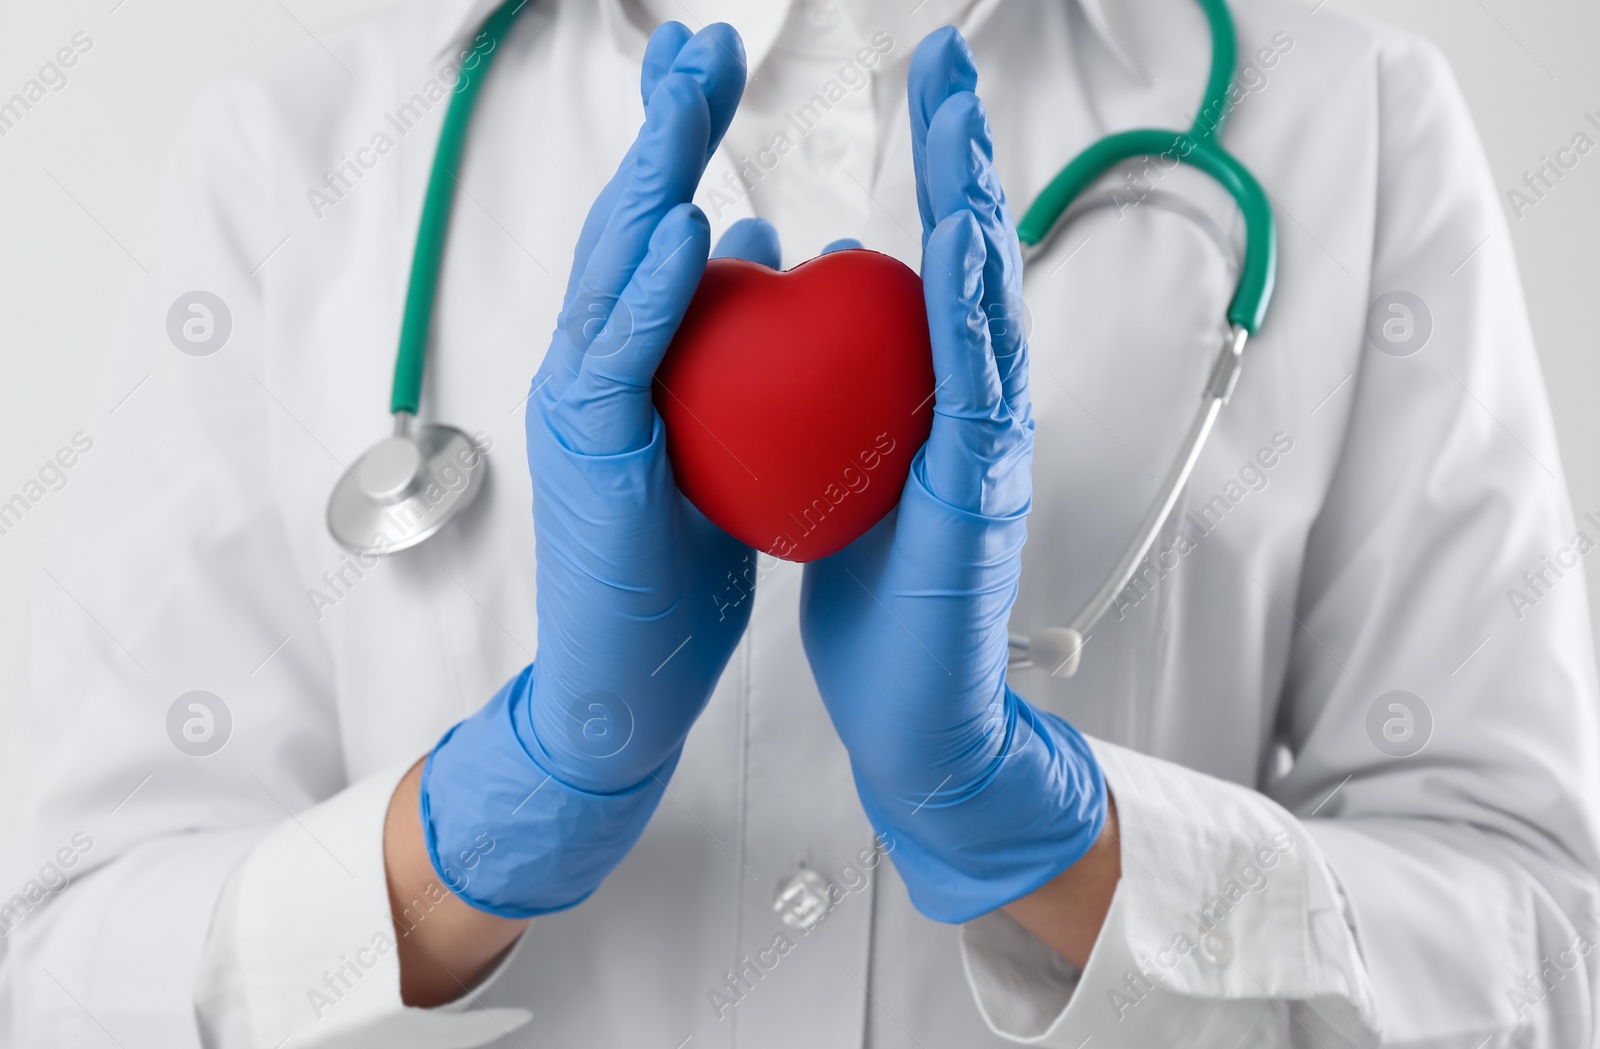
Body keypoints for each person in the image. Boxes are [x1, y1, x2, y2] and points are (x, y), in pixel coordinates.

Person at [3, 0, 1596, 1046]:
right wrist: (475, 832)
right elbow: (67, 966)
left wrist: (1064, 844)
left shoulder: (1358, 129)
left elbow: (1542, 942)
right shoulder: (298, 160)